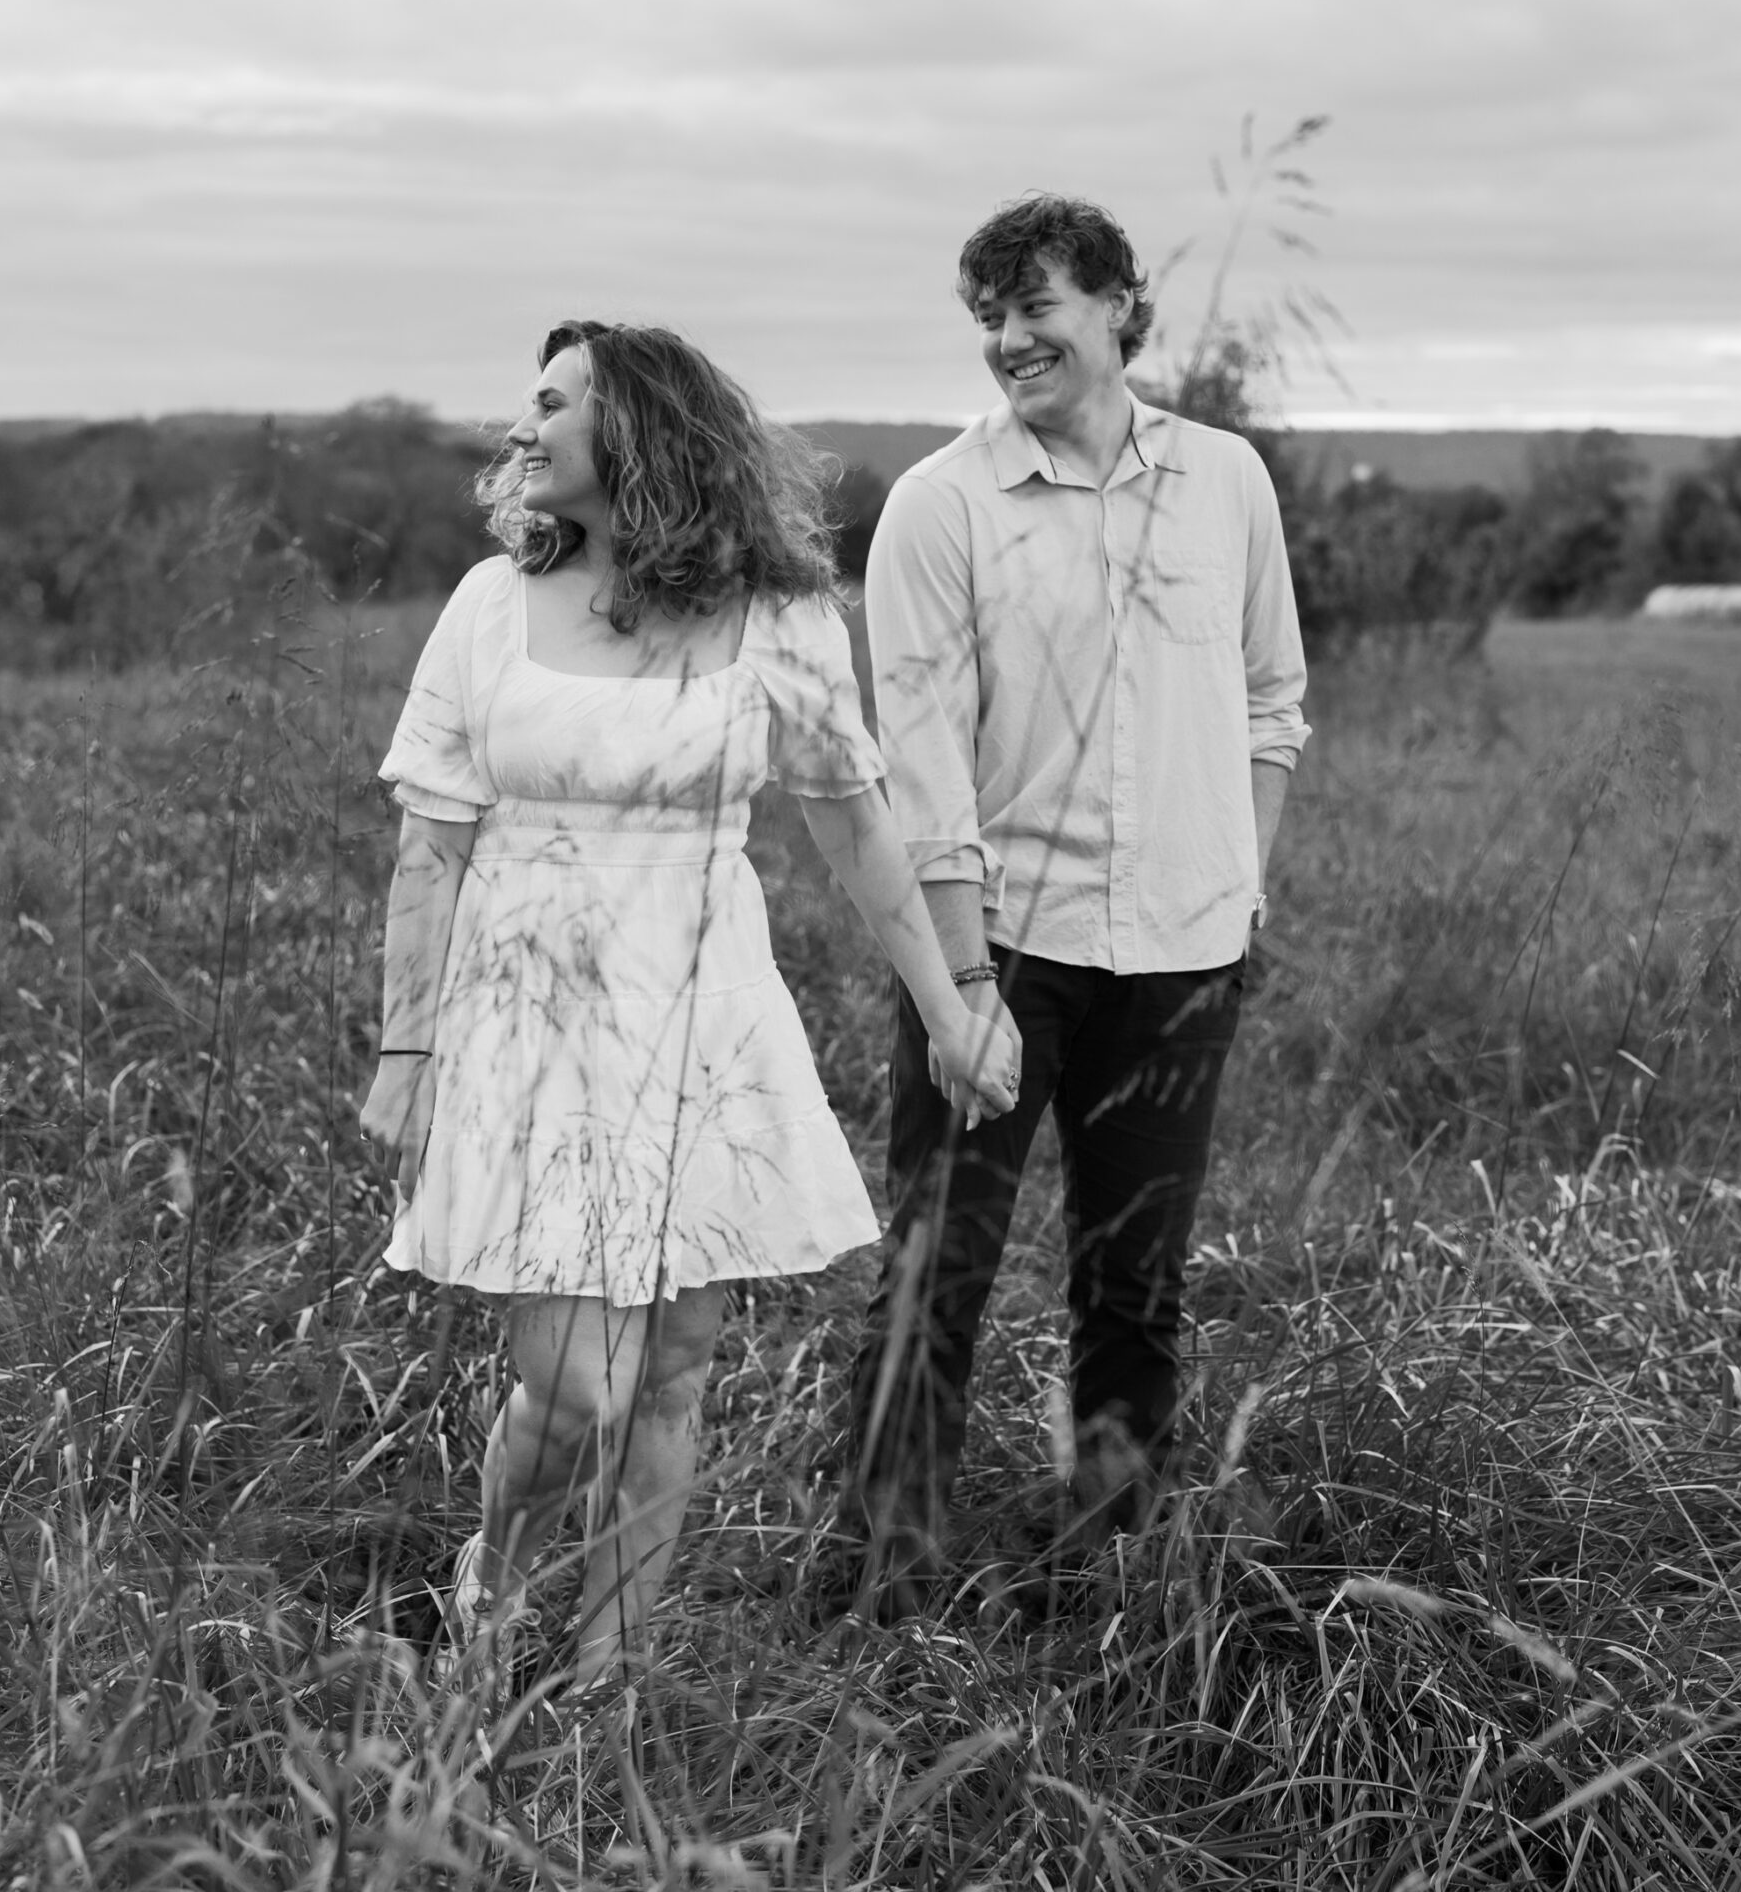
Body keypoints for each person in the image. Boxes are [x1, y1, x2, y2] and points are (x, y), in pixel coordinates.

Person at [359, 320, 1021, 1693]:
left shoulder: (778, 618)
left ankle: (609, 1675)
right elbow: (432, 849)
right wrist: (406, 1046)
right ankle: (493, 1578)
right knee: (579, 1381)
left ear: (639, 434)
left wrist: (954, 1003)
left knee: (670, 1375)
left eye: (553, 404)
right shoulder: (490, 606)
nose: (522, 428)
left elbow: (859, 833)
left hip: (702, 1018)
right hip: (524, 1023)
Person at [836, 193, 1309, 1606]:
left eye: (1034, 306)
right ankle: (887, 1581)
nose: (1006, 338)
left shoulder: (1226, 481)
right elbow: (918, 768)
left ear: (1116, 308)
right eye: (987, 315)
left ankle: (1107, 1571)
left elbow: (1271, 703)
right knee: (938, 1276)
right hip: (1005, 956)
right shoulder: (939, 508)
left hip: (1182, 955)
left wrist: (1241, 883)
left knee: (1134, 1285)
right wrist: (963, 989)